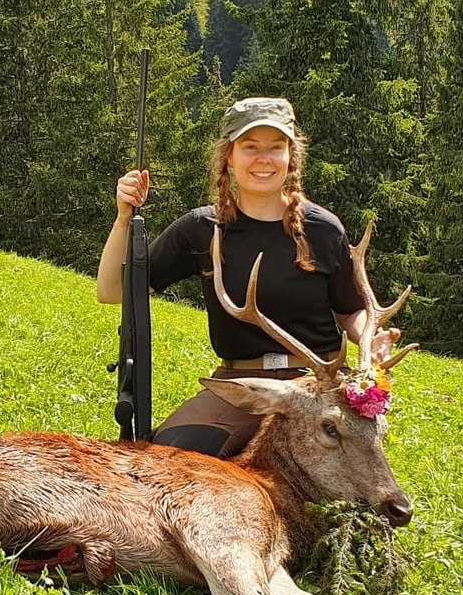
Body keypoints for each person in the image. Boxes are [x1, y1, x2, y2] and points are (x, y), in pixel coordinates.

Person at [96, 96, 399, 457]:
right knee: (173, 455)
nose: (263, 159)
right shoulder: (201, 229)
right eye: (250, 147)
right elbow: (113, 290)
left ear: (290, 156)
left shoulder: (322, 229)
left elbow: (350, 311)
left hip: (317, 388)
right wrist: (122, 219)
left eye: (275, 147)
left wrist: (372, 337)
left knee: (348, 488)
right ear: (230, 155)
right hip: (240, 388)